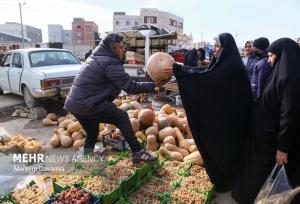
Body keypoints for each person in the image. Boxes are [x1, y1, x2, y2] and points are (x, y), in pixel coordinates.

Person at [64, 33, 165, 163]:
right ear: (113, 47)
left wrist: (149, 81)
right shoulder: (109, 61)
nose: (124, 50)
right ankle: (138, 152)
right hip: (90, 103)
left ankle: (87, 155)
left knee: (92, 131)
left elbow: (125, 79)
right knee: (121, 117)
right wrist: (154, 87)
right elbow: (129, 86)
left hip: (76, 105)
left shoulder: (97, 58)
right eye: (121, 47)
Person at [172, 33, 253, 193]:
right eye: (215, 46)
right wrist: (181, 70)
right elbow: (205, 72)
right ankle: (223, 179)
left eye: (218, 46)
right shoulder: (220, 63)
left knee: (228, 151)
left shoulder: (232, 66)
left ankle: (230, 180)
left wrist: (182, 72)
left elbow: (208, 81)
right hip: (224, 119)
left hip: (233, 121)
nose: (215, 49)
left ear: (225, 48)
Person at [232, 38, 300, 204]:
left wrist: (282, 148)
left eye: (271, 56)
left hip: (274, 140)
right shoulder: (280, 72)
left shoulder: (290, 78)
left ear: (282, 56)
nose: (268, 60)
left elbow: (289, 115)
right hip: (266, 136)